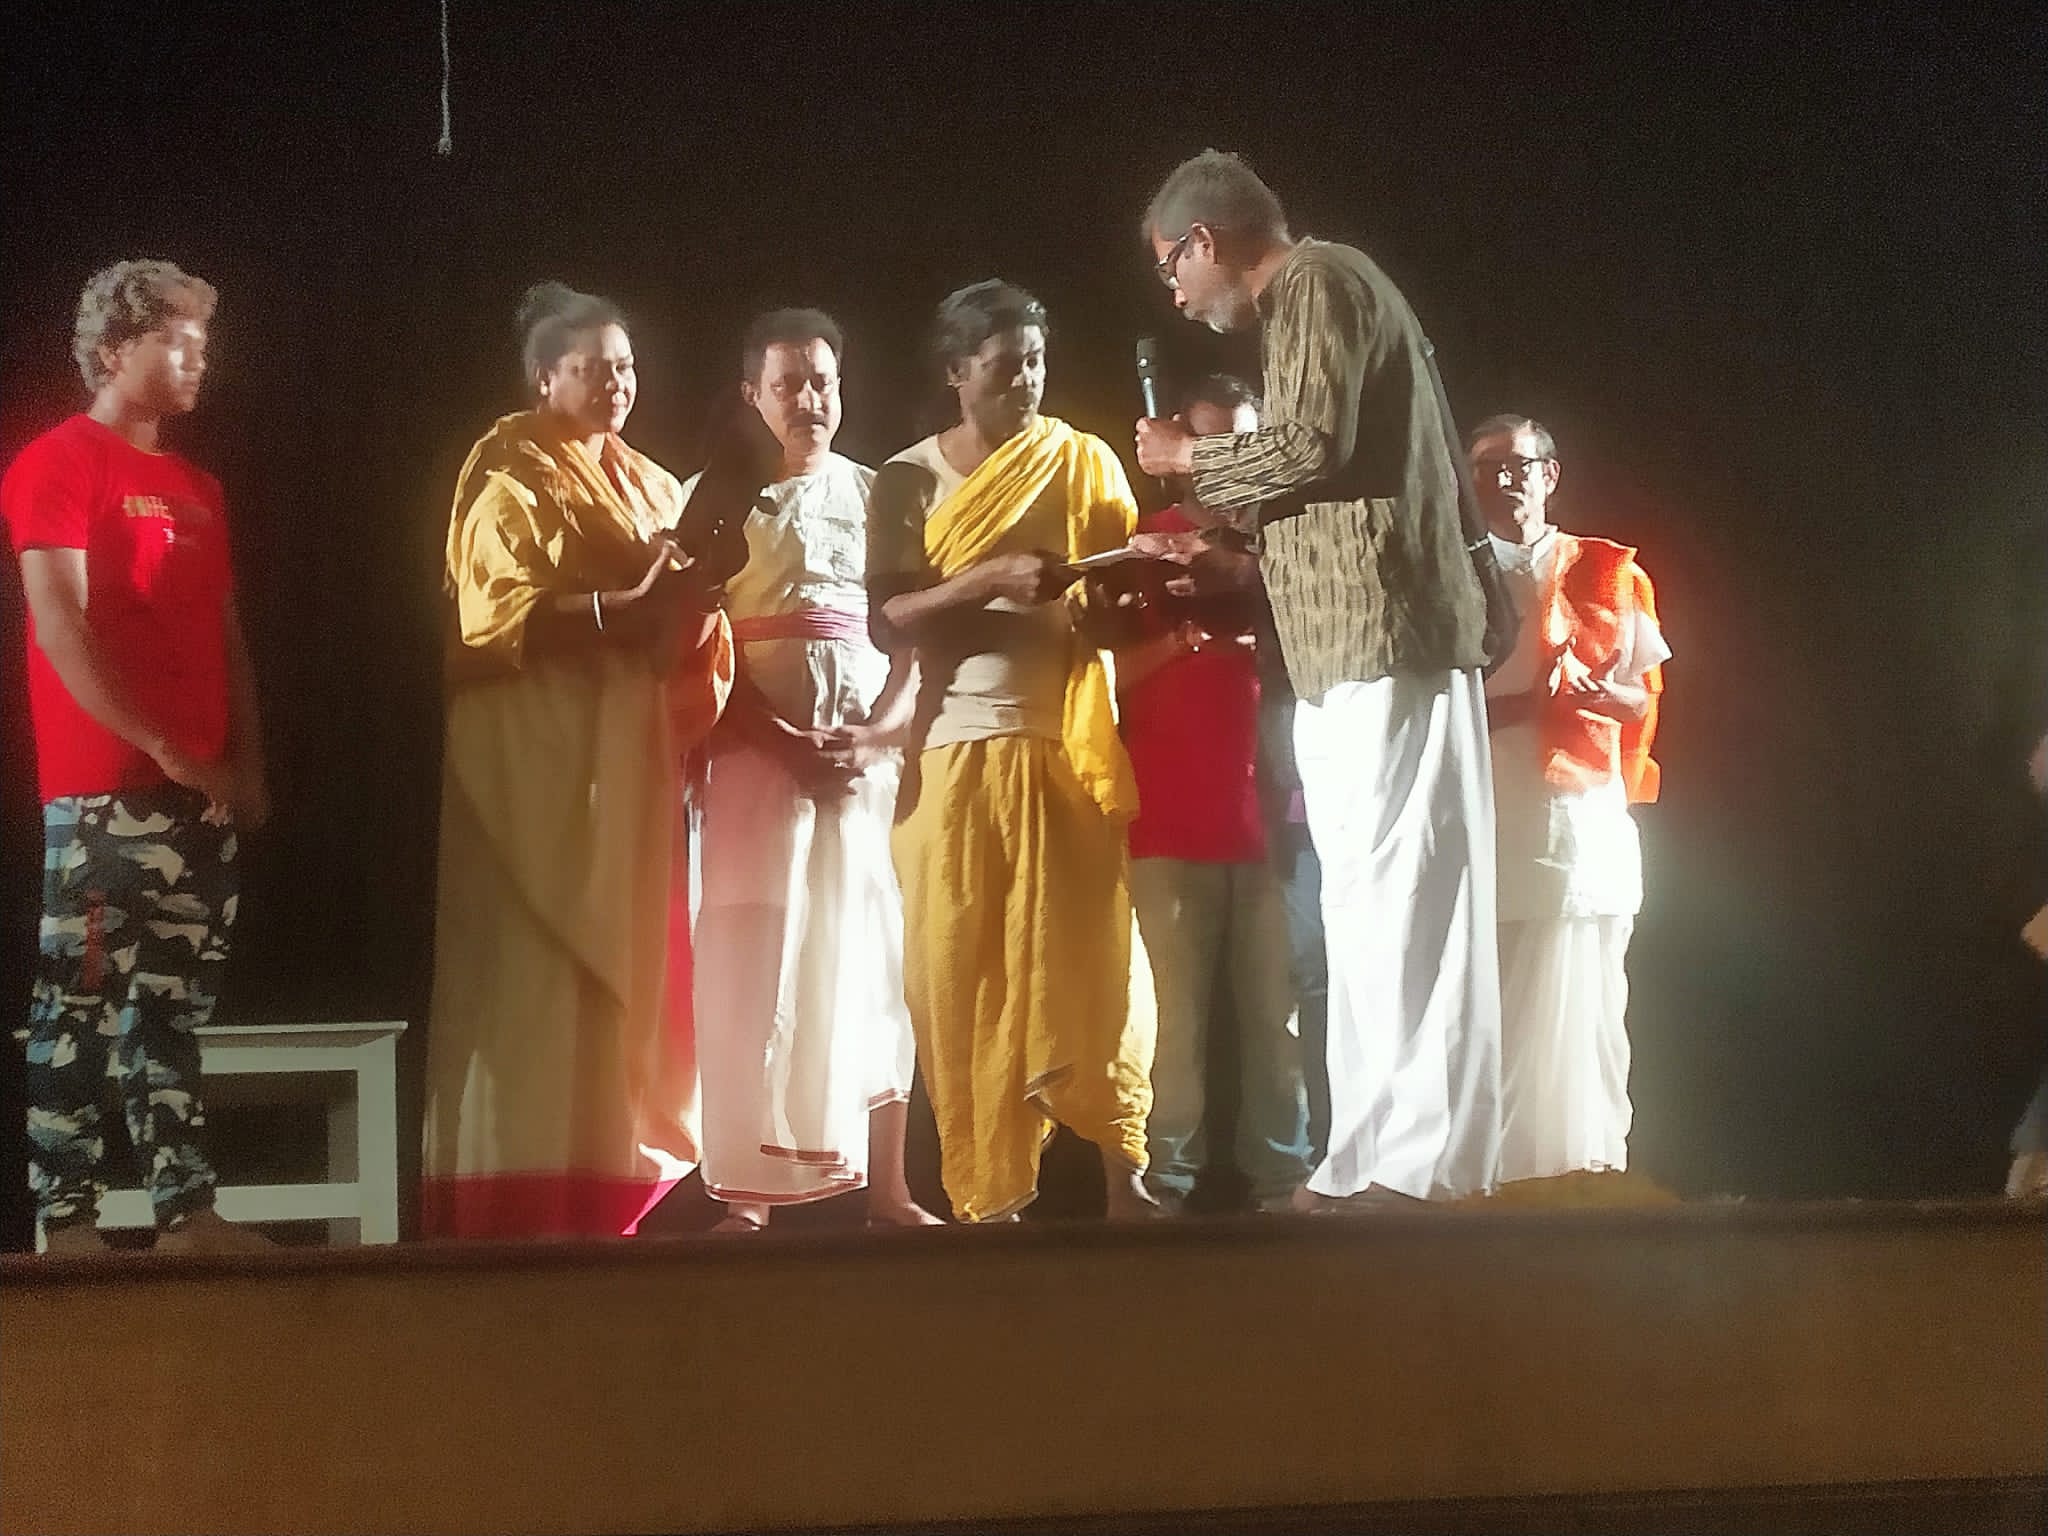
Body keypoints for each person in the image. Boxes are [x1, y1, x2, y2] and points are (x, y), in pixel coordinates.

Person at [1133, 150, 1510, 1207]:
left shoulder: (1317, 280)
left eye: (1170, 268)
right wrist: (1227, 552)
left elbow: (1307, 445)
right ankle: (1368, 1158)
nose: (1176, 295)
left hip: (1388, 634)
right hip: (1344, 646)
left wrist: (1187, 461)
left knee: (1406, 900)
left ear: (1203, 240)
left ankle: (1423, 1170)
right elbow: (1329, 478)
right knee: (1363, 905)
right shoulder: (1312, 295)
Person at [422, 281, 737, 1240]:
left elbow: (680, 634)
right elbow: (493, 612)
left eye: (627, 367)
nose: (617, 384)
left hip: (624, 754)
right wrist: (614, 610)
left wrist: (697, 599)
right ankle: (518, 1200)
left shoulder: (652, 484)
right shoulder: (508, 464)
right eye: (595, 368)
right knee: (537, 972)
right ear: (543, 376)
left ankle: (610, 1191)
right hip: (534, 753)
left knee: (626, 975)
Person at [867, 279, 1157, 1223]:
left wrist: (1122, 598)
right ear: (957, 372)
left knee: (1099, 969)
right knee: (961, 977)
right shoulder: (907, 478)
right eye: (1004, 367)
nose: (1026, 381)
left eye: (1036, 362)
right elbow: (887, 619)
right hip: (952, 753)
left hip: (1064, 748)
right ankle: (988, 1198)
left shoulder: (1083, 461)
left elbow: (1117, 616)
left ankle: (1126, 1182)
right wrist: (987, 578)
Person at [2, 259, 270, 1255]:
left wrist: (246, 765)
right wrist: (160, 745)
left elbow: (227, 638)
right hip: (102, 796)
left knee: (170, 1010)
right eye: (176, 341)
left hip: (199, 792)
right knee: (75, 1006)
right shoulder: (59, 462)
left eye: (203, 342)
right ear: (115, 351)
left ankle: (187, 1212)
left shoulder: (200, 487)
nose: (198, 359)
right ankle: (66, 1224)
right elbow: (62, 628)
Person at [686, 308, 939, 1232]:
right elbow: (693, 646)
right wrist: (779, 736)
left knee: (872, 959)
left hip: (863, 770)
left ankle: (891, 1191)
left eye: (822, 382)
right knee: (750, 961)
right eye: (788, 384)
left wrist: (878, 736)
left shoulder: (881, 494)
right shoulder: (711, 500)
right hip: (753, 765)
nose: (809, 400)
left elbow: (916, 642)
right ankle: (747, 1198)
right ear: (751, 394)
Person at [1110, 374, 1310, 1212]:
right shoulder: (1144, 544)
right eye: (1211, 440)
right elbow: (1104, 679)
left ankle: (1286, 1179)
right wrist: (1189, 639)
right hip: (1167, 817)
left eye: (1244, 441)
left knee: (1278, 1015)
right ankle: (1166, 1181)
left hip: (1276, 819)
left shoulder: (1294, 550)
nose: (1229, 459)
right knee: (1172, 1020)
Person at [1468, 414, 1670, 1185]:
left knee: (1589, 1000)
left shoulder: (1607, 569)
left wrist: (1590, 695)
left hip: (1585, 816)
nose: (1505, 481)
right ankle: (1493, 1174)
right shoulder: (1456, 571)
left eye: (1520, 465)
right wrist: (1529, 703)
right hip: (1488, 814)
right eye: (1487, 468)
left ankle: (1583, 1166)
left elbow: (1641, 697)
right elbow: (1433, 706)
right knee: (1495, 998)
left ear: (1550, 475)